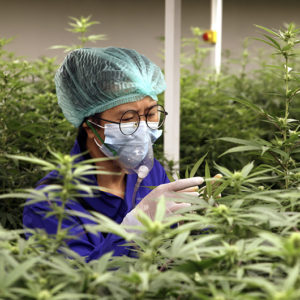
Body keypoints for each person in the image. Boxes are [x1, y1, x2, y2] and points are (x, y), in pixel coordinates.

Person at [23, 47, 203, 261]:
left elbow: (176, 252)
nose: (144, 127)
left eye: (151, 113)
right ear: (90, 126)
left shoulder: (150, 172)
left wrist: (198, 222)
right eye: (127, 118)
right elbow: (78, 283)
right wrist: (132, 232)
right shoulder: (50, 203)